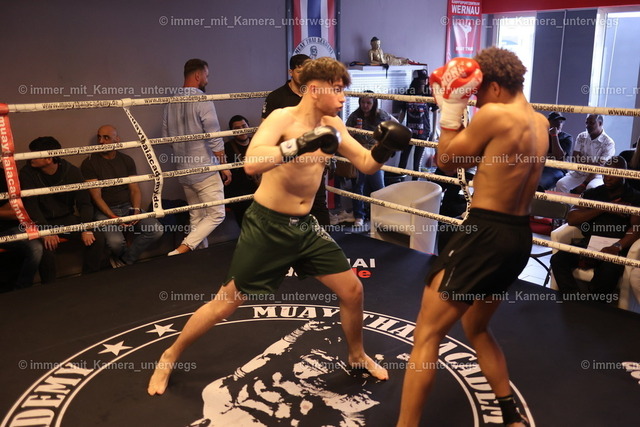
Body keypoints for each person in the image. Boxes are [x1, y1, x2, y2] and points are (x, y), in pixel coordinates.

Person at [148, 56, 411, 396]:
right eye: (337, 89)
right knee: (226, 302)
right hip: (268, 226)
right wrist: (301, 143)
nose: (343, 97)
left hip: (305, 226)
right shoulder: (282, 118)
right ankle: (170, 355)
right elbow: (251, 163)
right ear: (314, 89)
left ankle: (357, 355)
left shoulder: (334, 124)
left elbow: (365, 163)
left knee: (352, 290)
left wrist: (385, 148)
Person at [397, 47, 548, 427]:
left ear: (495, 87)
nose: (475, 101)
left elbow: (447, 161)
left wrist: (450, 112)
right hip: (518, 237)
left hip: (485, 234)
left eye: (478, 94)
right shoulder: (539, 122)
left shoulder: (495, 115)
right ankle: (510, 415)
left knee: (426, 334)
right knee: (476, 328)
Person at [163, 58, 232, 255]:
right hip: (204, 170)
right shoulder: (203, 99)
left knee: (197, 215)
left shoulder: (170, 102)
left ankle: (197, 258)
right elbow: (214, 136)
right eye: (206, 76)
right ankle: (183, 249)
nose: (207, 80)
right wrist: (224, 166)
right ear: (197, 75)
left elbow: (166, 138)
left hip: (183, 171)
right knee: (217, 214)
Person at [550, 156, 640, 300]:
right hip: (589, 245)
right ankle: (574, 299)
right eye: (605, 173)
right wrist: (604, 208)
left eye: (613, 173)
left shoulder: (635, 197)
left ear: (624, 173)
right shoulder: (593, 193)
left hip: (616, 248)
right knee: (558, 260)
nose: (607, 178)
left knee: (608, 271)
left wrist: (617, 246)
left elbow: (636, 229)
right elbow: (572, 219)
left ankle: (594, 306)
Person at [20, 137, 106, 282]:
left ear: (49, 158)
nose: (30, 157)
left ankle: (89, 280)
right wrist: (46, 230)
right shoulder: (27, 173)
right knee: (46, 247)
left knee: (97, 236)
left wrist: (86, 228)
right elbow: (31, 206)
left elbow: (84, 203)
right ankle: (50, 288)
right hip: (42, 220)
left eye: (34, 154)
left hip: (66, 218)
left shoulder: (71, 171)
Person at [262, 54, 332, 228]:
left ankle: (325, 242)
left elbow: (326, 124)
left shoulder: (315, 95)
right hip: (287, 163)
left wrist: (327, 155)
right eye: (300, 71)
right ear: (291, 72)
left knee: (318, 204)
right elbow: (265, 132)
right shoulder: (276, 98)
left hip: (313, 161)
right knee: (287, 209)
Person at [81, 125, 163, 266]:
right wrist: (113, 216)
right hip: (104, 212)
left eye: (106, 137)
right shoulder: (89, 163)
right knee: (116, 242)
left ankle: (124, 260)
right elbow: (96, 196)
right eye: (99, 137)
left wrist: (135, 210)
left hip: (126, 207)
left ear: (117, 140)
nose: (101, 141)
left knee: (156, 230)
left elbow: (134, 189)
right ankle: (124, 262)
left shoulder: (126, 160)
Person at [345, 91, 398, 227]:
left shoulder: (381, 114)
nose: (365, 105)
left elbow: (396, 124)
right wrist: (354, 132)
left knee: (378, 186)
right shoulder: (355, 116)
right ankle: (359, 216)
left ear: (374, 103)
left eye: (368, 103)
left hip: (375, 154)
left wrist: (386, 143)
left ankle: (383, 215)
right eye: (363, 102)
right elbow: (345, 135)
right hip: (359, 153)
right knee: (358, 186)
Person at [0, 168, 43, 290]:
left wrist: (6, 210)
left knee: (37, 246)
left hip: (12, 227)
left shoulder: (5, 174)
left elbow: (16, 210)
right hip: (8, 226)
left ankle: (22, 289)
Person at [555, 114, 615, 194]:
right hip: (579, 173)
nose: (587, 126)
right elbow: (575, 158)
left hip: (597, 176)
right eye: (586, 123)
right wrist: (594, 162)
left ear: (600, 123)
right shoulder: (581, 136)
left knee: (591, 188)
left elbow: (598, 167)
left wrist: (584, 184)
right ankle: (566, 203)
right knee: (561, 184)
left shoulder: (608, 143)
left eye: (591, 123)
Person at [397, 70, 439, 178]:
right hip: (409, 132)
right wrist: (397, 126)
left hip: (423, 132)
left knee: (417, 162)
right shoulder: (408, 93)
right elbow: (403, 112)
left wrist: (434, 132)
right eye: (422, 79)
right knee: (403, 158)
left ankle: (415, 183)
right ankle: (399, 181)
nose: (424, 81)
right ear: (416, 80)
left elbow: (435, 111)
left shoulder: (428, 93)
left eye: (425, 79)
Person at [224, 115, 259, 226]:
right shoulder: (227, 148)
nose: (242, 130)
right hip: (239, 191)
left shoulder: (258, 143)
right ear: (232, 131)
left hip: (260, 186)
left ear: (249, 127)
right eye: (237, 128)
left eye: (244, 126)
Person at [538, 112, 574, 191]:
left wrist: (554, 136)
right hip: (542, 166)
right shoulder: (542, 135)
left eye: (561, 121)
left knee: (540, 183)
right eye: (556, 120)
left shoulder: (567, 137)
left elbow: (559, 156)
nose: (559, 123)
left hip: (558, 169)